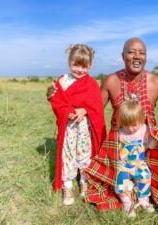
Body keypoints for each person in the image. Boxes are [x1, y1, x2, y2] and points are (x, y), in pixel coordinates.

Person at [82, 37, 158, 219]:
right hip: (118, 148)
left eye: (142, 53)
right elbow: (94, 111)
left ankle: (144, 193)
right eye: (132, 52)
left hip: (148, 148)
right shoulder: (111, 81)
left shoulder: (157, 82)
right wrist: (64, 100)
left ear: (146, 57)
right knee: (113, 184)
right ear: (123, 55)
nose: (137, 56)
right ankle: (128, 194)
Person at [49, 44, 106, 206]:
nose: (79, 69)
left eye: (84, 66)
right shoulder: (62, 81)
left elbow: (96, 105)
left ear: (90, 65)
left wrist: (84, 110)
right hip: (68, 127)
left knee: (84, 154)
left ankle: (84, 181)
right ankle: (67, 186)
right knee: (67, 154)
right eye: (76, 65)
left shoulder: (92, 83)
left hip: (84, 129)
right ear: (69, 62)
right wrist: (68, 111)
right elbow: (56, 102)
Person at [115, 100, 156, 217]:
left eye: (134, 125)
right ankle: (127, 204)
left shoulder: (144, 129)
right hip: (123, 164)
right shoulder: (119, 133)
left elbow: (149, 143)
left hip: (139, 163)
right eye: (126, 125)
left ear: (142, 119)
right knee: (121, 182)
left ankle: (144, 200)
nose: (131, 129)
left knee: (145, 177)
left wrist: (151, 144)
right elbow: (113, 148)